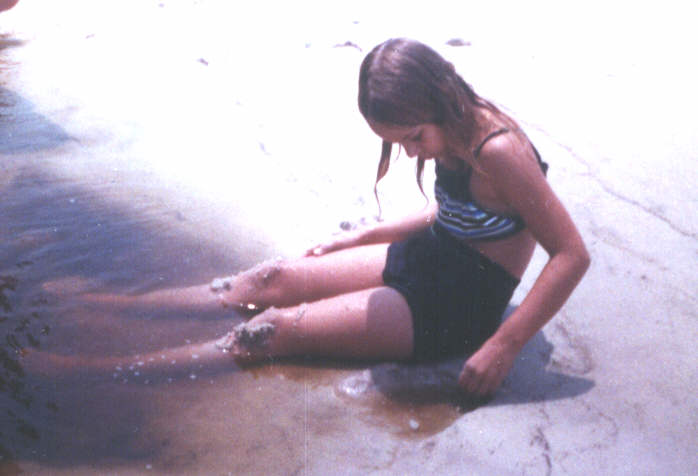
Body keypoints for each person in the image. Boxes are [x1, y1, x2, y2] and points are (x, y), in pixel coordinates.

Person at [35, 39, 589, 399]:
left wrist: (504, 345)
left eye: (414, 139)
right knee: (266, 281)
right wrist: (377, 233)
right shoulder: (448, 123)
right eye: (399, 144)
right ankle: (110, 306)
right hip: (431, 255)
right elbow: (462, 213)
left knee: (269, 332)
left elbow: (570, 254)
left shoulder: (498, 150)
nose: (414, 154)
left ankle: (92, 371)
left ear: (439, 99)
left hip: (458, 302)